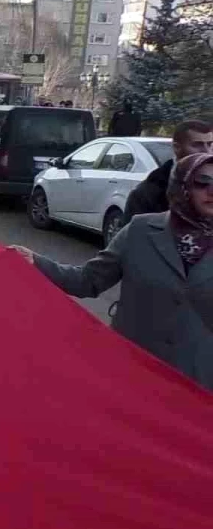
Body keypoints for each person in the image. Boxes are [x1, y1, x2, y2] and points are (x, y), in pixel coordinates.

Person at [11, 152, 213, 391]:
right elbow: (88, 280)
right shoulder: (141, 230)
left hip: (197, 384)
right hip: (132, 371)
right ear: (181, 185)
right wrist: (35, 261)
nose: (211, 191)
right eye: (202, 182)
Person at [126, 120, 213, 220]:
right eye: (197, 145)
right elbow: (136, 233)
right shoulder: (149, 191)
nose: (207, 151)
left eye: (210, 144)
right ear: (177, 148)